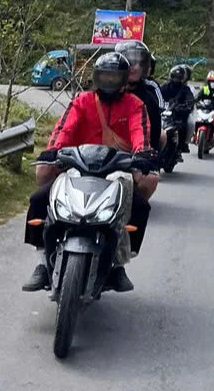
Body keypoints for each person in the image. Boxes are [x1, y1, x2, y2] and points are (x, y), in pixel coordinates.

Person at [21, 52, 154, 294]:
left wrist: (142, 154)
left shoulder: (136, 105)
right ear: (96, 78)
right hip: (77, 165)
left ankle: (119, 262)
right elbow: (65, 128)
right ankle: (42, 261)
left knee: (141, 207)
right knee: (39, 199)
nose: (109, 82)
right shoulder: (82, 102)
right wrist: (53, 150)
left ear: (125, 80)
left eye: (115, 78)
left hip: (116, 170)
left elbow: (140, 132)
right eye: (105, 76)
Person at [115, 39, 162, 200]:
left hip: (132, 154)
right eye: (129, 61)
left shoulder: (147, 99)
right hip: (99, 152)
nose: (133, 67)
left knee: (140, 205)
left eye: (138, 62)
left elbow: (152, 133)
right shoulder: (94, 96)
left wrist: (147, 158)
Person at [161, 64, 195, 153]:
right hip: (164, 112)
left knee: (189, 123)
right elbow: (156, 96)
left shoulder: (185, 89)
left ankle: (183, 144)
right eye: (174, 77)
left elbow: (190, 99)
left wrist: (186, 106)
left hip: (179, 114)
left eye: (179, 77)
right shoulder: (165, 87)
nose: (176, 79)